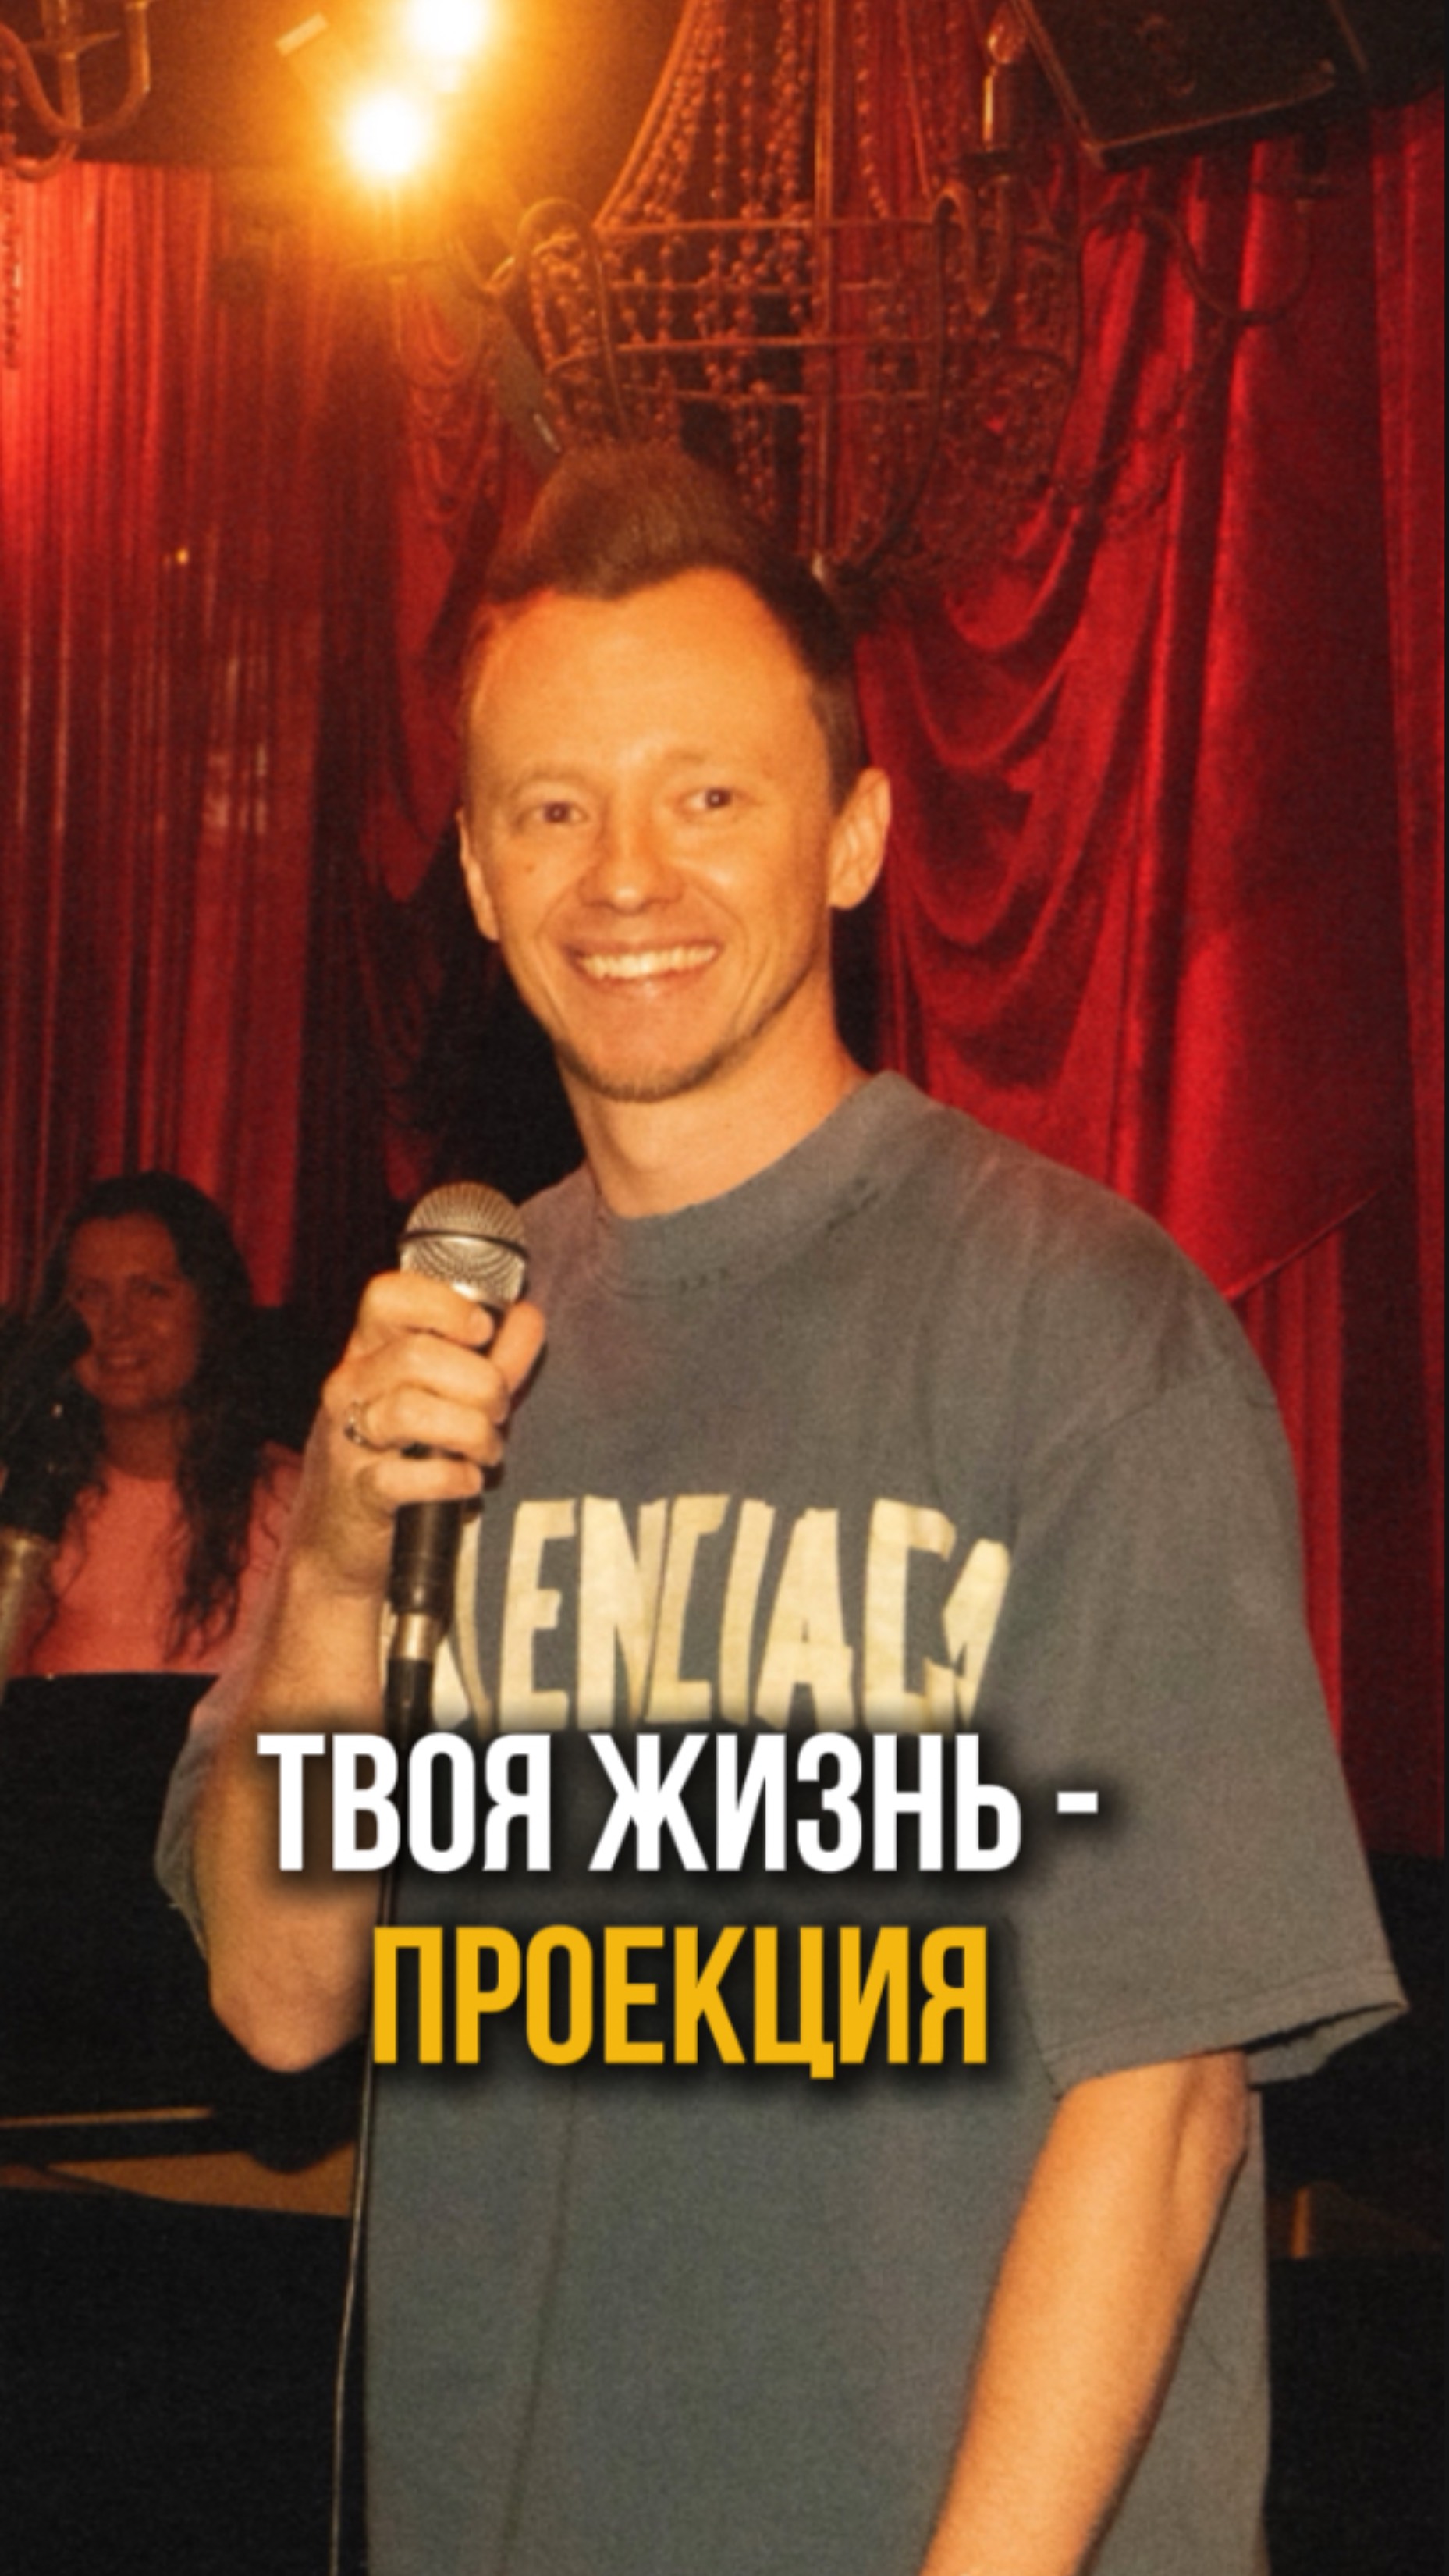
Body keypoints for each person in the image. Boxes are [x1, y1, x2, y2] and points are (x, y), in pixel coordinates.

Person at [160, 449, 1400, 2576]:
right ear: (476, 876)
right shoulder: (436, 1363)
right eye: (553, 808)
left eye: (708, 793)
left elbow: (1168, 2098)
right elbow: (280, 1995)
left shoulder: (1081, 1328)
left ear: (853, 836)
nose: (624, 874)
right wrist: (348, 1568)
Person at [17, 1172, 299, 1679]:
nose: (119, 1323)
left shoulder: (295, 1505)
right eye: (90, 1294)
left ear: (209, 1308)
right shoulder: (21, 1505)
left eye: (151, 1291)